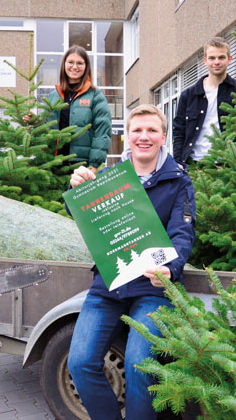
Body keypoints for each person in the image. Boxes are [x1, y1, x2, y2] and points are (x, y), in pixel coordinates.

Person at [67, 104, 195, 419]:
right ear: (127, 136)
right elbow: (84, 217)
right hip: (109, 284)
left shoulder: (178, 181)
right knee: (80, 362)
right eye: (137, 130)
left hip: (153, 288)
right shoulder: (110, 177)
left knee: (140, 366)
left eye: (152, 130)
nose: (144, 137)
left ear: (163, 136)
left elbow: (182, 233)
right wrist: (77, 189)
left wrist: (169, 269)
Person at [25, 45, 112, 172]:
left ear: (86, 67)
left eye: (80, 63)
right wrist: (36, 122)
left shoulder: (95, 95)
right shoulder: (54, 94)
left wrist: (94, 165)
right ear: (64, 65)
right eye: (71, 62)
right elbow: (48, 128)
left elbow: (102, 132)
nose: (75, 67)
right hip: (54, 164)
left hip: (82, 166)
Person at [172, 36, 236, 165]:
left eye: (221, 57)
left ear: (229, 59)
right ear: (205, 61)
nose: (216, 62)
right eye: (212, 58)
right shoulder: (189, 95)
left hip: (230, 164)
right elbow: (179, 130)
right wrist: (178, 162)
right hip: (195, 164)